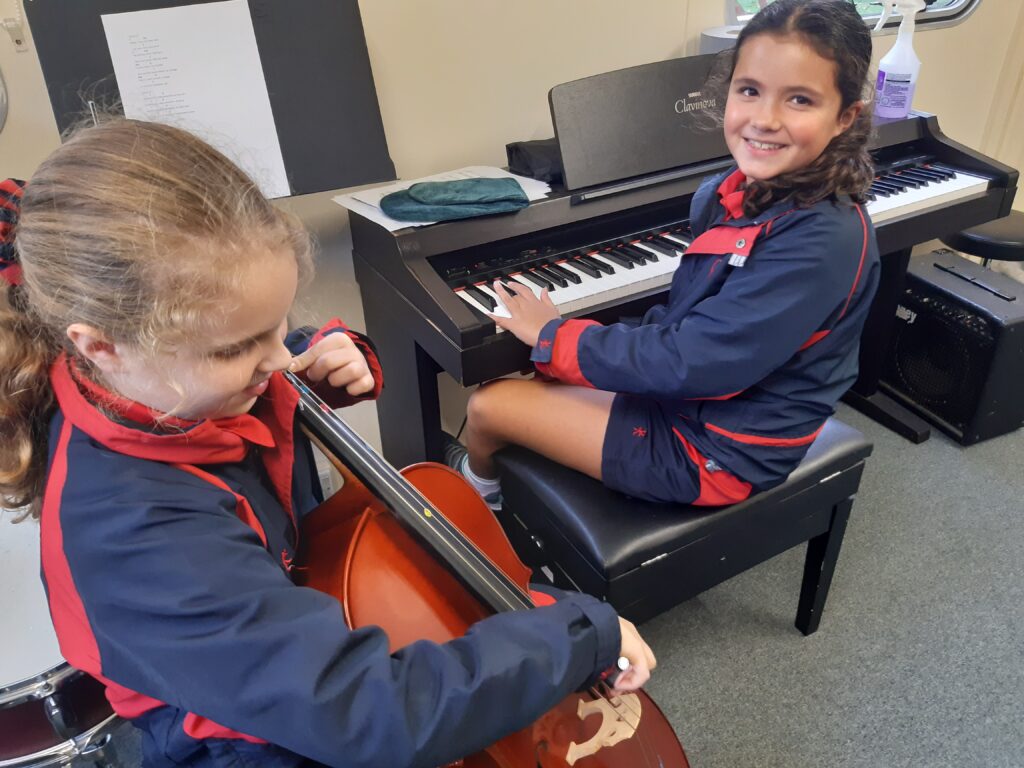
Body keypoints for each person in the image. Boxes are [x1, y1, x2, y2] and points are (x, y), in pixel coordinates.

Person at [0, 119, 656, 768]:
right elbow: (366, 713)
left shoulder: (163, 378)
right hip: (234, 743)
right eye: (238, 348)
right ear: (101, 346)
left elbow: (260, 370)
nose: (276, 361)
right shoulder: (135, 535)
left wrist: (325, 359)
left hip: (275, 626)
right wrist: (576, 637)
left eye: (276, 324)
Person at [446, 0, 881, 510]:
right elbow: (690, 321)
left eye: (800, 100)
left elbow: (694, 361)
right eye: (750, 91)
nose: (765, 119)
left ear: (844, 117)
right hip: (699, 403)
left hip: (719, 450)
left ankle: (480, 500)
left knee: (488, 405)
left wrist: (555, 337)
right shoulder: (737, 191)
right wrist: (570, 352)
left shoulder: (824, 238)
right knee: (539, 378)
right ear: (727, 93)